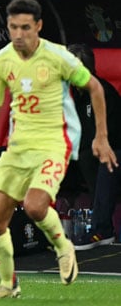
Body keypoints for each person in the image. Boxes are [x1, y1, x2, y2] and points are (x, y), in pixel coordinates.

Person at [0, 0, 117, 299]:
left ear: (38, 26)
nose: (18, 34)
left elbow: (96, 87)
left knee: (34, 206)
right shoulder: (0, 61)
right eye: (13, 28)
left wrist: (101, 136)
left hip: (52, 142)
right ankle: (8, 284)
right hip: (19, 146)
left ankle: (63, 247)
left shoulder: (58, 57)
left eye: (25, 27)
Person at [66, 44, 121, 250]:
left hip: (113, 153)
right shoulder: (75, 93)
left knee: (104, 156)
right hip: (83, 157)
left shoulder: (102, 92)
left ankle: (102, 229)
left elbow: (111, 136)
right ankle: (33, 231)